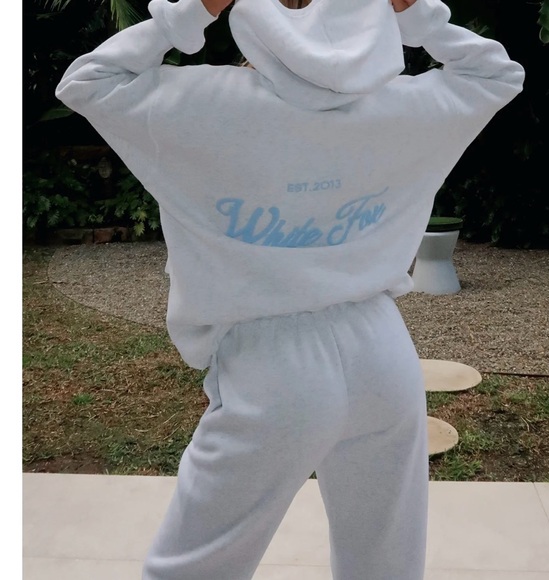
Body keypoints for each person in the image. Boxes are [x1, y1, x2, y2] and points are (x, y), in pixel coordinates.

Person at [55, 0, 524, 578]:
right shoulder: (402, 107)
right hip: (383, 353)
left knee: (197, 562)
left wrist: (193, 12)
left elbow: (87, 80)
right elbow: (498, 74)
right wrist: (417, 17)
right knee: (385, 559)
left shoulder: (205, 105)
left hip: (270, 368)